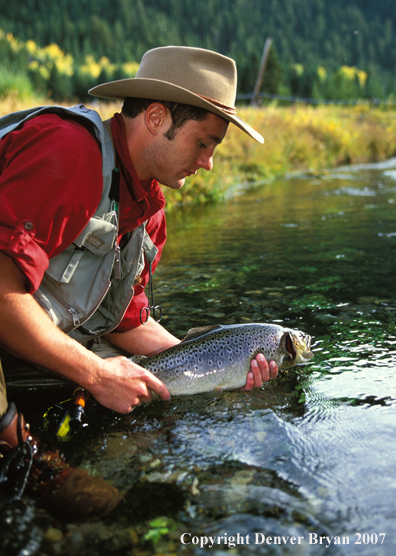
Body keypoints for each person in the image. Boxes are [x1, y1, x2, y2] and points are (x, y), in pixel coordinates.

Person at [0, 46, 278, 510]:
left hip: (25, 327)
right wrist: (95, 374)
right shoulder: (68, 154)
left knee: (140, 415)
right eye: (204, 143)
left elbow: (125, 323)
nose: (208, 163)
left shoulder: (148, 210)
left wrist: (221, 365)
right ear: (155, 117)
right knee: (84, 499)